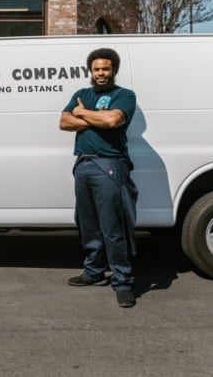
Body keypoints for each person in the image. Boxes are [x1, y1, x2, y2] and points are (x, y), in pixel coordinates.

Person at [59, 48, 138, 308]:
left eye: (105, 68)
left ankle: (123, 282)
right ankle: (93, 272)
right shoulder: (82, 94)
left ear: (114, 70)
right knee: (87, 223)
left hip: (110, 165)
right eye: (96, 69)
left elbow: (113, 120)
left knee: (113, 228)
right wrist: (95, 118)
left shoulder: (124, 95)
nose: (101, 73)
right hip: (83, 164)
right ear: (90, 71)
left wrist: (82, 114)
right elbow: (63, 122)